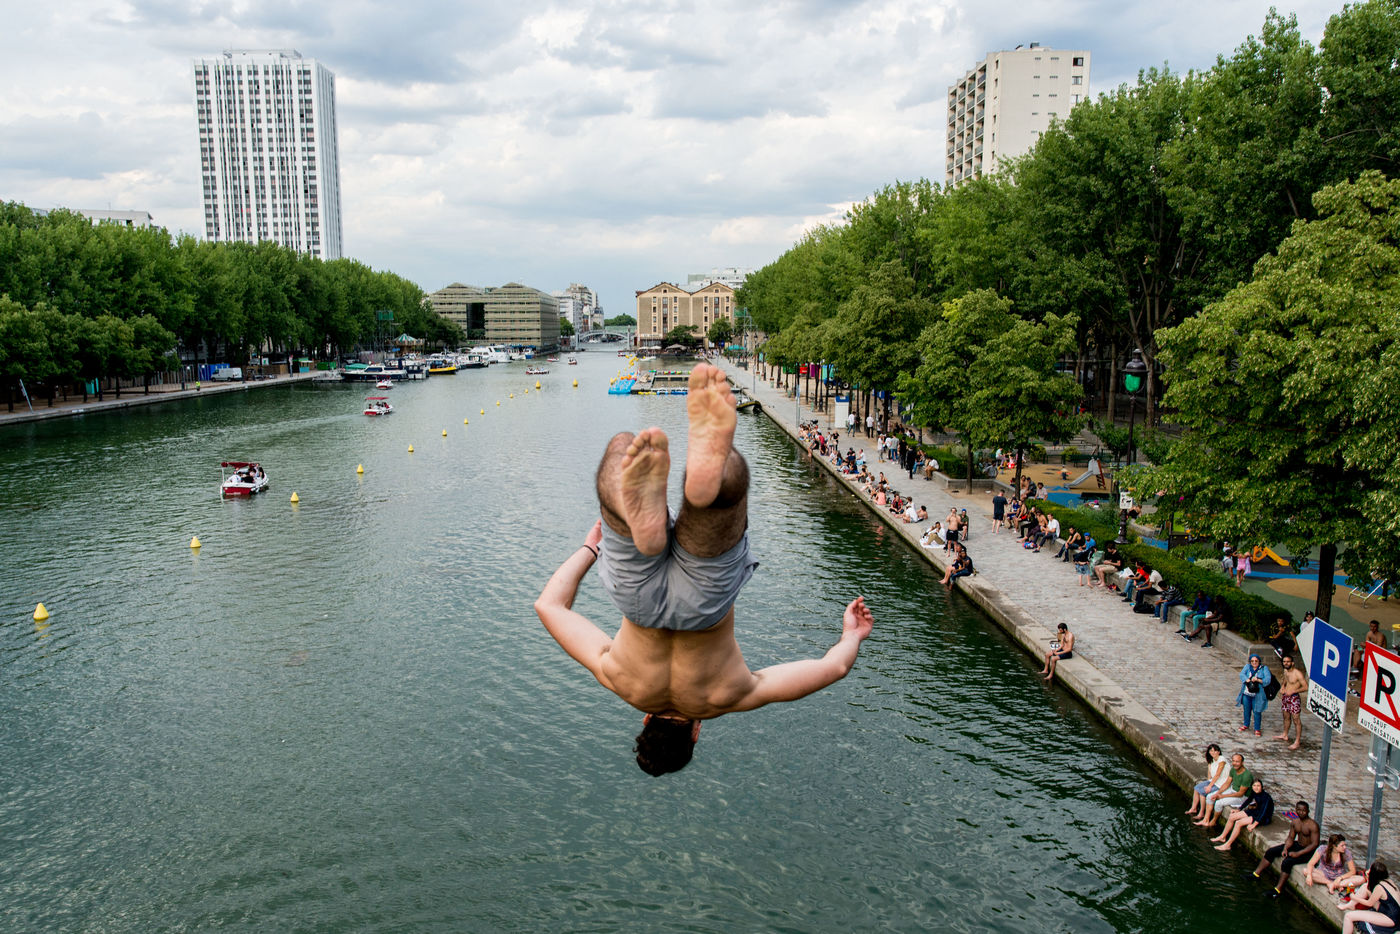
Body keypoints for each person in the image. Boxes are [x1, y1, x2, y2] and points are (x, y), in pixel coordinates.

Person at [534, 364, 875, 776]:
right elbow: (549, 606)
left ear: (695, 733)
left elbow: (834, 668)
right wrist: (592, 548)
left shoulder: (728, 697)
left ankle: (710, 484)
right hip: (637, 600)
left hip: (704, 605)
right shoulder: (618, 680)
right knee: (621, 450)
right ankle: (625, 511)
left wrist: (852, 635)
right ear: (646, 720)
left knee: (725, 500)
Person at [1253, 800, 1320, 895]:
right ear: (1296, 810)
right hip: (1298, 845)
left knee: (1287, 862)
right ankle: (1256, 874)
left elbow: (1315, 844)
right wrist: (1285, 848)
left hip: (1309, 851)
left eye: (1304, 810)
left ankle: (1278, 890)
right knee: (1271, 851)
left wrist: (1298, 854)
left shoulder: (1313, 825)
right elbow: (1291, 837)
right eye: (1299, 810)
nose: (1301, 812)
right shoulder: (1295, 822)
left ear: (1308, 811)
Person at [1211, 778, 1274, 850]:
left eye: (1258, 786)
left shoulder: (1266, 797)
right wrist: (1239, 809)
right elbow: (1248, 800)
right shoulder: (1254, 792)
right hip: (1256, 811)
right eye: (1254, 785)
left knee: (1238, 823)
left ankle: (1227, 845)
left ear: (1262, 787)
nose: (1256, 787)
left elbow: (1263, 812)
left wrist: (1254, 824)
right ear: (1252, 786)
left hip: (1264, 817)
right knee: (1232, 816)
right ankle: (1222, 837)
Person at [1197, 752, 1252, 830]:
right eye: (1233, 761)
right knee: (1210, 796)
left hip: (1242, 797)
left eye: (1237, 762)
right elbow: (1227, 783)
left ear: (1242, 763)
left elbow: (1240, 793)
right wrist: (1217, 793)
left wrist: (1222, 796)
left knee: (1219, 803)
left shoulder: (1247, 776)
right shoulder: (1233, 769)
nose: (1235, 763)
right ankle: (1206, 819)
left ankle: (1213, 821)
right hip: (1232, 790)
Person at [1340, 861, 1400, 931]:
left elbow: (1369, 903)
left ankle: (1351, 904)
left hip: (1390, 918)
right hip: (1388, 910)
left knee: (1348, 916)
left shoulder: (1379, 887)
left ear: (1373, 874)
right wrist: (1369, 878)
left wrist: (1353, 897)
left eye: (1370, 870)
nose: (1368, 871)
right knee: (1365, 886)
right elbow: (1369, 888)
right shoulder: (1389, 881)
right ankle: (1351, 905)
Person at [1185, 743, 1229, 822]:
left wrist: (1209, 786)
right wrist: (1208, 782)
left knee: (1203, 793)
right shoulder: (1211, 760)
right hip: (1213, 781)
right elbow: (1209, 773)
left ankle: (1201, 813)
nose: (1213, 752)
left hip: (1221, 783)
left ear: (1219, 752)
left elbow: (1218, 774)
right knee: (1197, 788)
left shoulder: (1222, 760)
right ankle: (1193, 808)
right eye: (1211, 751)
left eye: (1215, 751)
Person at [1274, 654, 1307, 749]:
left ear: (1292, 663)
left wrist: (1293, 691)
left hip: (1294, 698)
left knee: (1296, 719)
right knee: (1286, 716)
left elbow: (1305, 687)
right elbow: (1285, 680)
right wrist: (1283, 686)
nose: (1286, 663)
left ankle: (1297, 741)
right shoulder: (1286, 671)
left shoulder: (1297, 674)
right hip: (1286, 697)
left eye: (1288, 662)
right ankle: (1285, 734)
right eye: (1284, 662)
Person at [1237, 654, 1273, 736]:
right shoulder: (1247, 667)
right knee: (1246, 710)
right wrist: (1247, 680)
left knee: (1257, 711)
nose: (1254, 662)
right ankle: (1246, 724)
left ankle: (1257, 728)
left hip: (1258, 694)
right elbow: (1242, 674)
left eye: (1256, 661)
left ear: (1259, 661)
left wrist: (1258, 680)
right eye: (1252, 661)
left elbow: (1267, 680)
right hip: (1247, 693)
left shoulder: (1264, 668)